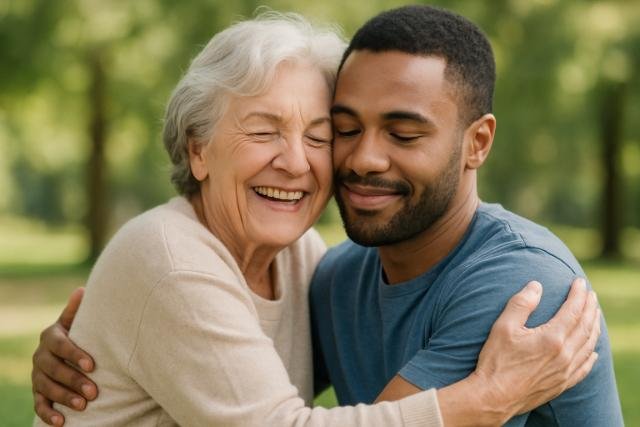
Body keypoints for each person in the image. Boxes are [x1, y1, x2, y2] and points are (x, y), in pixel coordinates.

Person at [31, 10, 600, 427]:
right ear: (197, 149)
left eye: (321, 135)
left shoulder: (312, 267)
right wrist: (486, 398)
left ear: (477, 142)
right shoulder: (178, 262)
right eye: (262, 130)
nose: (298, 161)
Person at [309, 5, 624, 426]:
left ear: (477, 142)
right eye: (346, 129)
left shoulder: (524, 286)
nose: (363, 159)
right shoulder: (339, 278)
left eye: (403, 135)